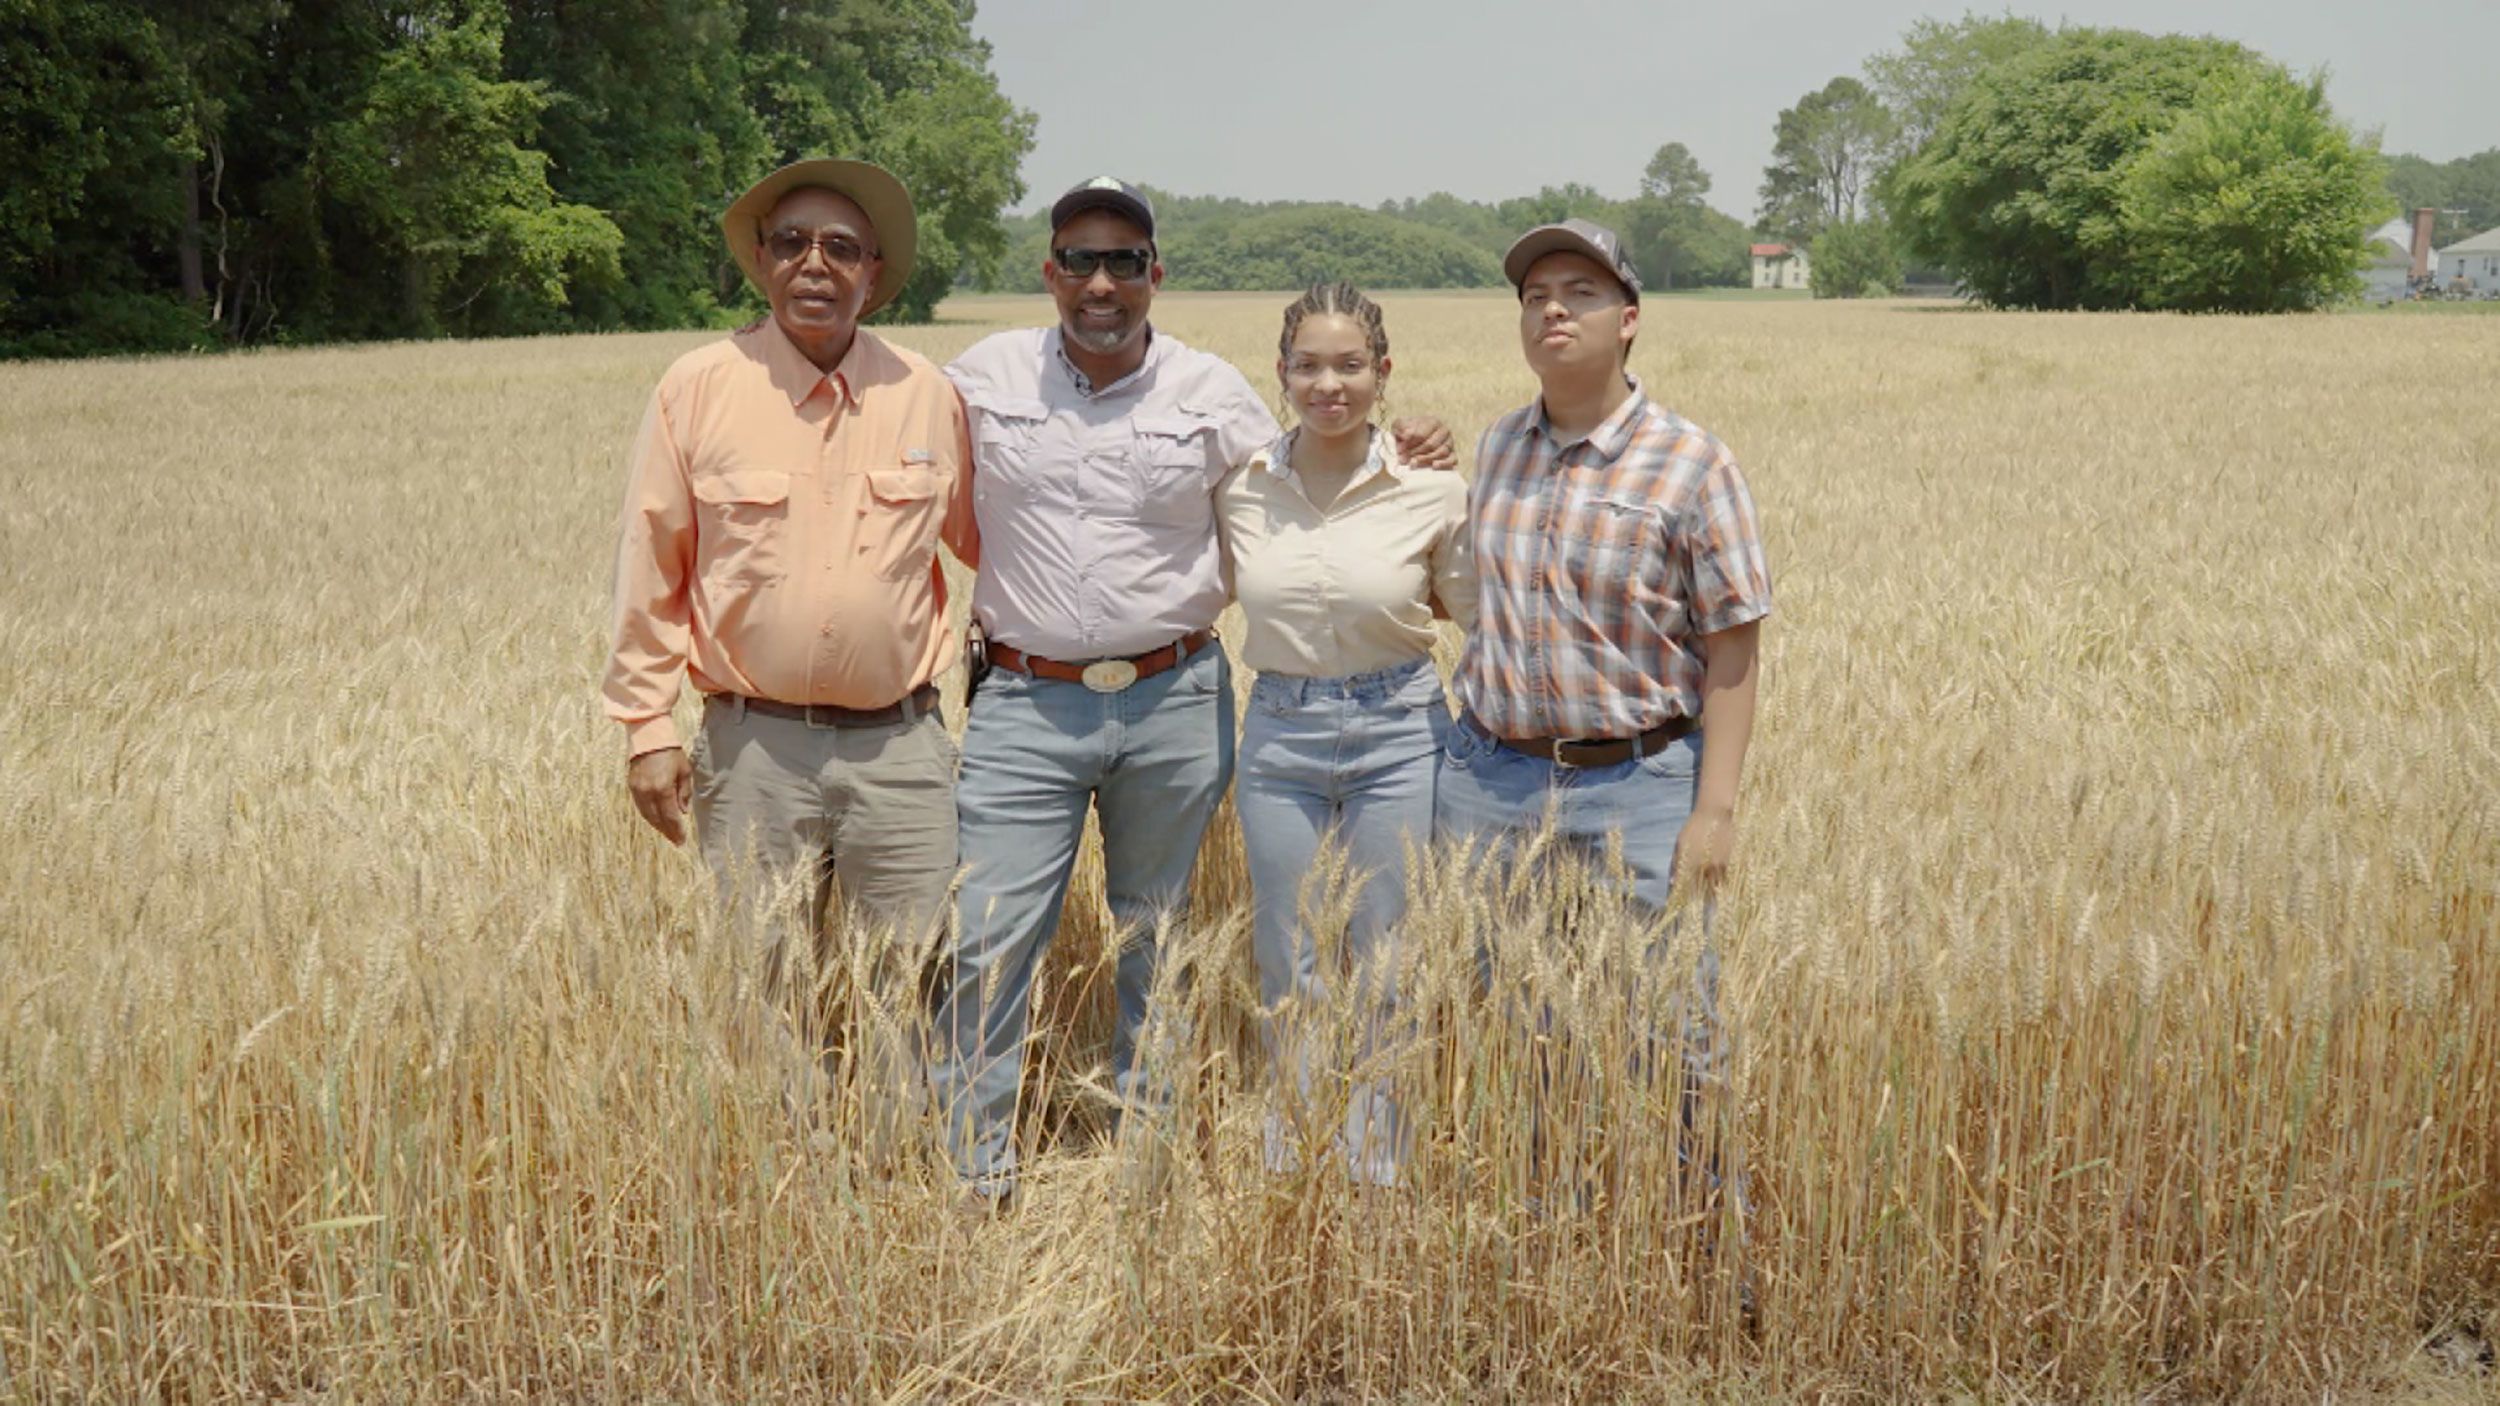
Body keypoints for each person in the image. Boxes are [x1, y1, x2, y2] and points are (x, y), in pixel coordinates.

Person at [931, 178, 1454, 1203]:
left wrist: (1411, 450)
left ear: (1154, 276)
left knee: (1157, 934)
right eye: (1079, 259)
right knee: (988, 933)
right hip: (1023, 703)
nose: (1101, 281)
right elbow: (902, 475)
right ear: (1049, 272)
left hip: (1174, 698)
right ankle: (975, 1170)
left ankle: (1146, 1157)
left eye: (1124, 261)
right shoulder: (977, 375)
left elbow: (1314, 474)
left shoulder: (1213, 393)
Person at [603, 158, 978, 1030]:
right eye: (792, 243)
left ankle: (898, 1162)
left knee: (914, 987)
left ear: (873, 272)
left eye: (842, 247)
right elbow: (650, 564)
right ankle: (786, 1165)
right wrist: (647, 728)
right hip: (751, 751)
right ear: (763, 261)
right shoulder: (697, 388)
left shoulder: (926, 394)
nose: (817, 264)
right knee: (760, 991)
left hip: (903, 751)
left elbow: (992, 547)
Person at [1433, 217, 1771, 1175]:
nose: (1552, 309)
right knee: (1521, 1026)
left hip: (1642, 783)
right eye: (1536, 295)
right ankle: (1556, 1231)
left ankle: (1707, 1255)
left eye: (1578, 292)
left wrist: (1715, 808)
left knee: (1678, 1034)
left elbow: (1735, 645)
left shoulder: (1693, 463)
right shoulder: (1496, 448)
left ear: (1627, 318)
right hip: (1493, 781)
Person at [1217, 283, 1474, 1185]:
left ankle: (1376, 1171)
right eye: (1309, 366)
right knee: (1287, 957)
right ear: (1280, 373)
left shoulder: (1435, 488)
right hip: (1279, 738)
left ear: (1383, 372)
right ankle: (1294, 1161)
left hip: (1400, 732)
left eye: (1351, 365)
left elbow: (1473, 611)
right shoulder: (1240, 488)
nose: (1331, 384)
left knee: (1386, 960)